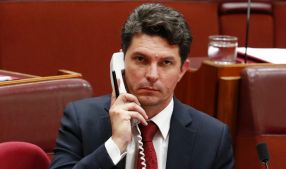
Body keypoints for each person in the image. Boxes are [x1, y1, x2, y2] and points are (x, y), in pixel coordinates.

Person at [49, 3, 234, 169]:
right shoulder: (81, 120)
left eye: (166, 63)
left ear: (182, 70)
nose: (152, 75)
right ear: (120, 62)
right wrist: (115, 144)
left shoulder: (212, 138)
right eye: (141, 59)